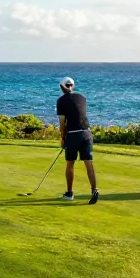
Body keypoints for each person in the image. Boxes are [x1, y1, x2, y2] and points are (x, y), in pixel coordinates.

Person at [56, 76, 98, 204]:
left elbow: (62, 123)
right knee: (88, 163)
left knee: (70, 163)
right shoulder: (82, 97)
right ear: (72, 86)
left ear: (62, 87)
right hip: (86, 133)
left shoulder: (61, 101)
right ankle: (94, 190)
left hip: (73, 135)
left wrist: (62, 138)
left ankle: (69, 193)